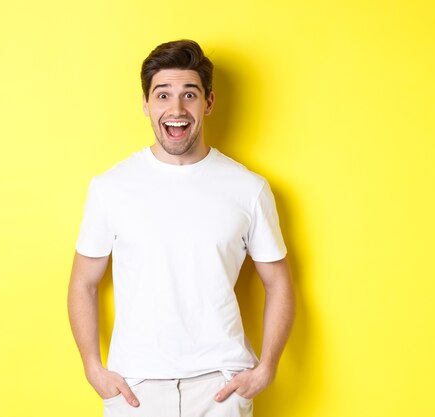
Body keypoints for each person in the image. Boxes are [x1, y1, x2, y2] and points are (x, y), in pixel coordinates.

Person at [68, 39, 295, 417]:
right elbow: (82, 282)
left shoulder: (248, 188)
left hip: (221, 386)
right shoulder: (110, 188)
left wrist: (266, 368)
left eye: (189, 95)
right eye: (163, 95)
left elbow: (279, 282)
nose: (176, 109)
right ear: (145, 103)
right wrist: (93, 368)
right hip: (134, 388)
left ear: (208, 103)